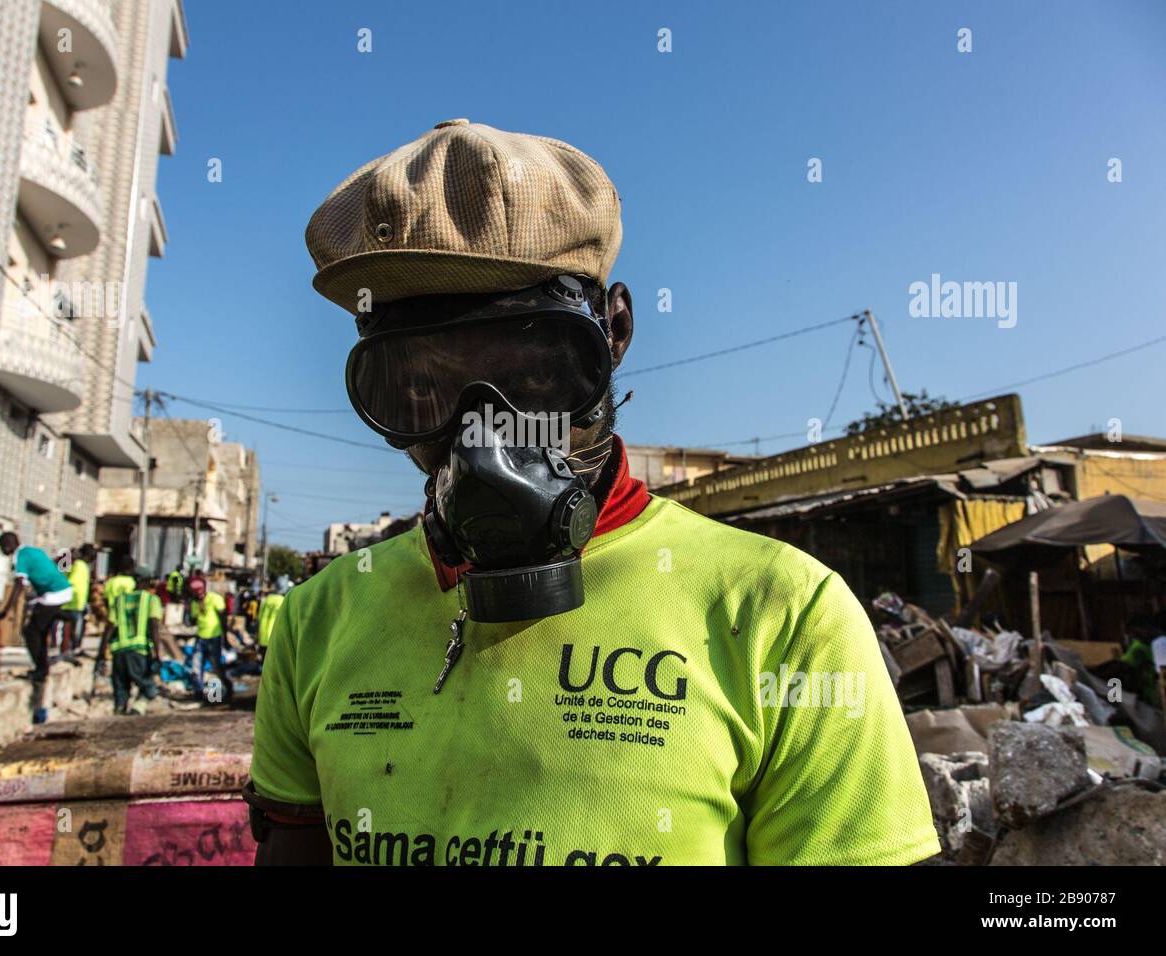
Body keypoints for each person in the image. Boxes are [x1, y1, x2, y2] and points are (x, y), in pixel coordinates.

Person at [248, 121, 938, 866]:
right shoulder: (317, 623)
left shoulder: (782, 617)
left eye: (536, 373)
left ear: (614, 333)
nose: (486, 435)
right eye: (422, 387)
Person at [0, 532, 73, 719]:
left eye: (2, 547)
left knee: (32, 632)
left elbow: (19, 584)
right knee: (38, 629)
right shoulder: (32, 551)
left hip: (54, 594)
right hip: (57, 592)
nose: (2, 551)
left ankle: (41, 670)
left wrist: (4, 612)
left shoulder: (21, 556)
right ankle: (60, 618)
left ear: (8, 545)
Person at [109, 569, 163, 715]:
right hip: (139, 651)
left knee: (121, 689)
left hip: (119, 651)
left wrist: (102, 652)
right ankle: (137, 709)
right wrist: (157, 653)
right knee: (148, 687)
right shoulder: (151, 599)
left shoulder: (120, 599)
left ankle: (119, 712)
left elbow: (110, 626)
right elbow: (153, 626)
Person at [187, 577, 232, 704]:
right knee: (196, 665)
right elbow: (193, 620)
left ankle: (219, 695)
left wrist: (225, 637)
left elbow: (223, 618)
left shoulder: (214, 599)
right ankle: (198, 693)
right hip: (201, 637)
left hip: (214, 637)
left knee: (215, 667)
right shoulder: (195, 603)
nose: (199, 595)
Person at [98, 555, 137, 679]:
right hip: (128, 620)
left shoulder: (111, 582)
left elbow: (104, 598)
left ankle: (106, 664)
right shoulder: (132, 583)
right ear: (131, 568)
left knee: (110, 641)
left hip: (112, 616)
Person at [60, 544, 95, 663]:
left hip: (78, 603)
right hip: (73, 603)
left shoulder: (78, 565)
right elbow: (72, 582)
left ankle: (72, 649)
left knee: (75, 629)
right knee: (73, 630)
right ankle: (69, 650)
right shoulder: (79, 565)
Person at [255, 583, 287, 661]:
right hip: (275, 638)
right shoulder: (284, 601)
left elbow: (259, 618)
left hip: (263, 636)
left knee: (264, 663)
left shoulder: (266, 600)